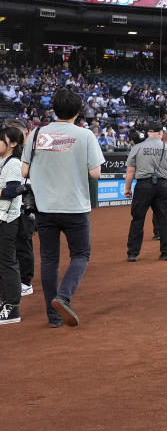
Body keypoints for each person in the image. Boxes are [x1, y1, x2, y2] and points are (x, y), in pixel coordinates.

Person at [22, 88, 105, 328]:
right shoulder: (85, 135)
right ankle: (64, 296)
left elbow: (24, 171)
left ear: (53, 109)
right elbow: (95, 173)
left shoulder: (36, 133)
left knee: (49, 259)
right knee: (81, 255)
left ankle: (53, 316)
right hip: (75, 206)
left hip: (45, 207)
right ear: (79, 112)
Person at [123, 122, 167, 262]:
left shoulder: (136, 148)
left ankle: (132, 253)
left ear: (148, 133)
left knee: (137, 219)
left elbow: (130, 171)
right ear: (160, 132)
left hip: (143, 185)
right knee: (165, 220)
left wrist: (127, 188)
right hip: (163, 185)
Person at [4, 118, 34, 298]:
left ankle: (25, 281)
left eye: (16, 130)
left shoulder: (30, 152)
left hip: (24, 204)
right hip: (7, 207)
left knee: (23, 244)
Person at [0, 126, 25, 325]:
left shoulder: (13, 163)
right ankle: (5, 302)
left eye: (2, 139)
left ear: (13, 144)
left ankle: (12, 307)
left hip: (7, 220)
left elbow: (13, 191)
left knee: (7, 263)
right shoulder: (3, 161)